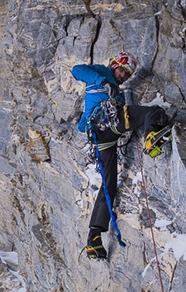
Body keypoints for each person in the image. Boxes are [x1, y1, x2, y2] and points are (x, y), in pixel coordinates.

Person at [72, 52, 172, 259]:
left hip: (103, 135)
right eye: (121, 71)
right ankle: (151, 138)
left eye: (126, 75)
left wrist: (93, 115)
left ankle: (94, 239)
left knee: (109, 184)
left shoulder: (117, 91)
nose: (123, 76)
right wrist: (101, 82)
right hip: (108, 122)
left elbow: (82, 126)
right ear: (114, 64)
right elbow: (77, 70)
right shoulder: (102, 72)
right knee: (153, 113)